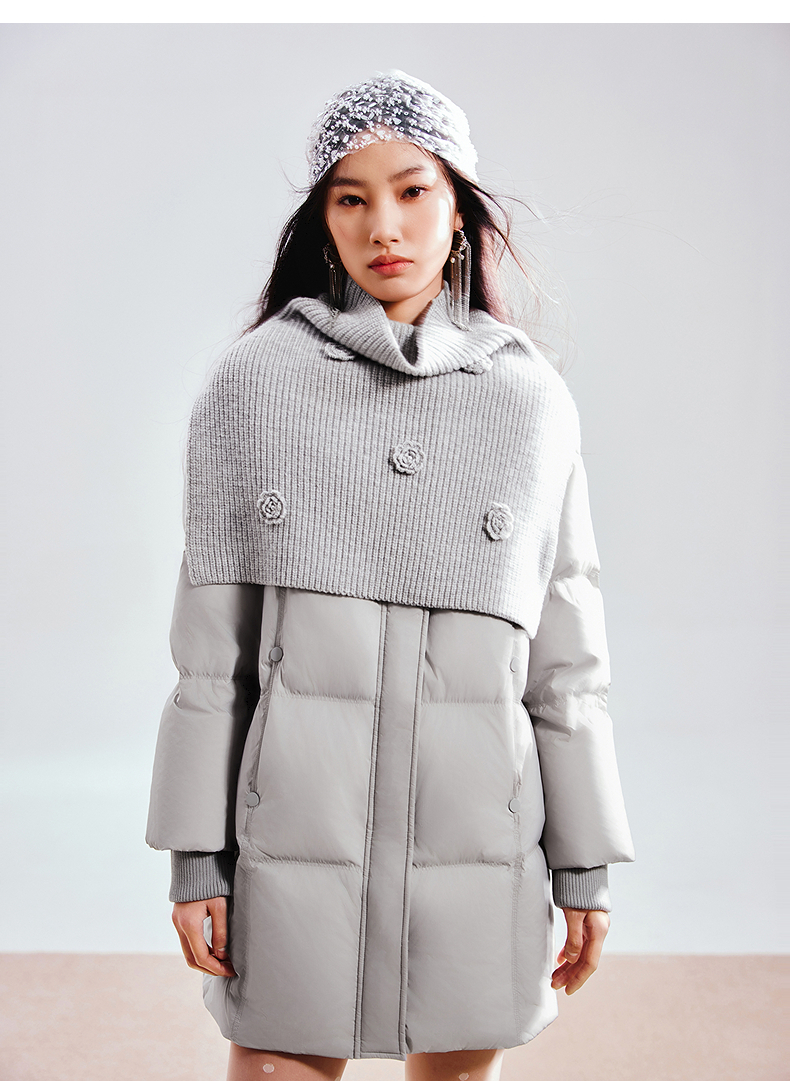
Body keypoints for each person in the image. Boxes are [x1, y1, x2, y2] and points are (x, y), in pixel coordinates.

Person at [146, 70, 635, 1081]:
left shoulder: (528, 402)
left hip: (482, 848)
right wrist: (196, 858)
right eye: (351, 197)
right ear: (322, 222)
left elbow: (566, 665)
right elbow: (208, 663)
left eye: (413, 190)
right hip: (289, 847)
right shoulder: (253, 385)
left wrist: (584, 864)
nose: (385, 225)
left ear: (458, 209)